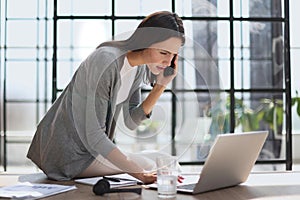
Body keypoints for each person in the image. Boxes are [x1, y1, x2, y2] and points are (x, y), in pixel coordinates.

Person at [27, 11, 185, 184]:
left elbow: (131, 121)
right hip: (68, 155)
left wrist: (160, 86)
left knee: (166, 160)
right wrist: (139, 174)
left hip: (92, 153)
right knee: (152, 164)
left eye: (173, 55)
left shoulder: (138, 69)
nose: (168, 62)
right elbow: (94, 135)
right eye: (163, 53)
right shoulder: (105, 60)